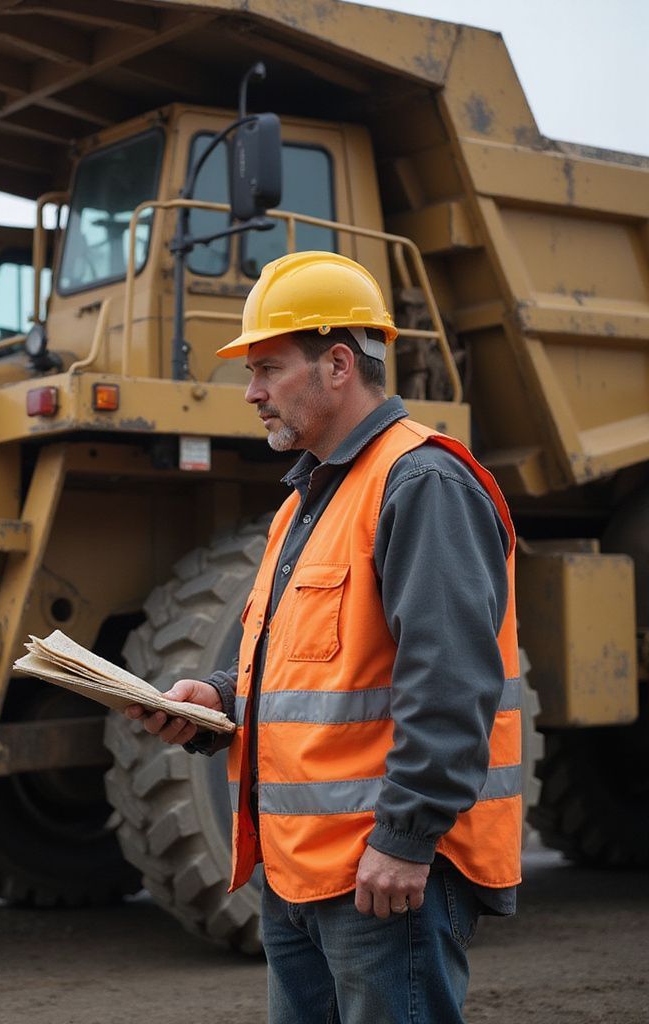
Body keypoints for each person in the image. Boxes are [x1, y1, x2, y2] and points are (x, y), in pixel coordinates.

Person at [127, 251, 522, 1024]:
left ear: (338, 364)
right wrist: (215, 702)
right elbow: (297, 669)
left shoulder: (421, 483)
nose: (252, 393)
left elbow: (450, 682)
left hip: (385, 877)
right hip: (301, 873)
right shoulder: (305, 502)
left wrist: (407, 839)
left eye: (269, 368)